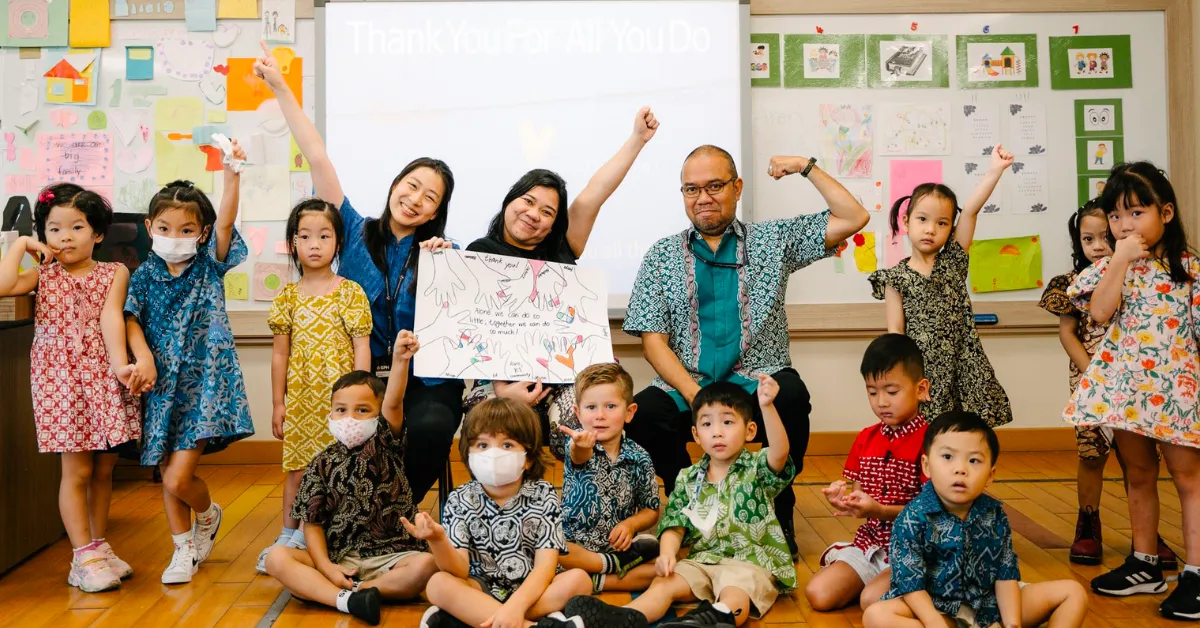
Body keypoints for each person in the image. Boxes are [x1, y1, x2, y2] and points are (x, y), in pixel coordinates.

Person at [622, 147, 870, 557]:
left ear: (737, 188)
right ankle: (693, 509)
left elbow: (853, 217)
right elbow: (653, 341)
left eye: (715, 186)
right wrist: (692, 393)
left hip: (758, 375)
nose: (703, 197)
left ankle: (777, 506)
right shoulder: (661, 255)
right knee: (644, 414)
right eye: (691, 189)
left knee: (791, 397)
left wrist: (805, 167)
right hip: (688, 381)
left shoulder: (772, 241)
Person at [256, 42, 463, 505]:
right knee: (353, 434)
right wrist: (281, 87)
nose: (416, 199)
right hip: (360, 376)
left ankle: (394, 516)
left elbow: (463, 311)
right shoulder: (350, 230)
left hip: (427, 381)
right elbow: (318, 158)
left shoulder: (443, 252)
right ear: (395, 185)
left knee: (430, 428)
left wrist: (447, 260)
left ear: (436, 212)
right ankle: (359, 518)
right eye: (412, 185)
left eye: (430, 197)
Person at [463, 107, 659, 462]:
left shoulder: (562, 250)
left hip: (566, 376)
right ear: (511, 200)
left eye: (548, 212)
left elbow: (595, 192)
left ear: (555, 224)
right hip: (499, 379)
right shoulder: (479, 253)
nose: (534, 214)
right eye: (528, 201)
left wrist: (637, 140)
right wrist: (504, 389)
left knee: (588, 426)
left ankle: (589, 510)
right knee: (493, 425)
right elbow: (476, 331)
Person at [1063, 163, 1200, 620]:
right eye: (1116, 216)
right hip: (1126, 391)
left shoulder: (1190, 269)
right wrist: (1119, 259)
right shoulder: (1112, 266)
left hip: (1177, 390)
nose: (1125, 225)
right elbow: (1098, 314)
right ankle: (1145, 563)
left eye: (1136, 213)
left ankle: (1197, 572)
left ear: (1166, 212)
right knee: (1137, 474)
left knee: (1188, 478)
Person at [562, 378, 797, 628]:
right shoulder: (687, 478)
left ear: (750, 431)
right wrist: (666, 554)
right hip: (702, 560)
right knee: (664, 582)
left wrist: (768, 406)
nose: (717, 432)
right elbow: (675, 524)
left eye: (727, 422)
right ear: (696, 434)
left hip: (749, 562)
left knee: (736, 590)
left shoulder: (757, 467)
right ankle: (626, 616)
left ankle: (710, 620)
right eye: (707, 424)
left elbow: (780, 453)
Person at [124, 143, 254, 584]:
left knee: (179, 478)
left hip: (206, 385)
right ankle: (182, 550)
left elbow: (228, 219)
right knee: (165, 472)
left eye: (186, 228)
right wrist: (142, 357)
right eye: (164, 227)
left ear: (201, 232)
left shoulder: (208, 265)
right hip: (162, 387)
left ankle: (208, 512)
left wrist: (232, 172)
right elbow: (130, 319)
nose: (174, 236)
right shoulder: (142, 275)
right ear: (149, 227)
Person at [0, 184, 140, 592]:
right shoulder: (41, 274)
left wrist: (120, 366)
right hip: (59, 380)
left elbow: (112, 318)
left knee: (103, 467)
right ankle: (82, 557)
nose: (65, 236)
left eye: (76, 227)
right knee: (76, 468)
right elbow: (4, 285)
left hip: (100, 375)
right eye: (53, 228)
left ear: (97, 233)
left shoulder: (115, 272)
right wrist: (22, 244)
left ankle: (98, 545)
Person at [265, 333, 437, 626]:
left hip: (389, 557)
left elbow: (393, 402)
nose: (350, 419)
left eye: (362, 410)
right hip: (338, 558)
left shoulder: (385, 443)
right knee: (276, 558)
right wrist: (326, 567)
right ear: (330, 413)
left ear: (377, 414)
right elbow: (312, 522)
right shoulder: (321, 463)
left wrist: (400, 361)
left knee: (427, 564)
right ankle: (344, 599)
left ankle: (363, 591)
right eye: (341, 410)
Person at [863, 412, 1088, 628]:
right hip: (936, 608)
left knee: (1073, 592)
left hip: (989, 606)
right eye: (947, 457)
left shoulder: (994, 514)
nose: (960, 469)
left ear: (990, 475)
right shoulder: (912, 517)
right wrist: (934, 623)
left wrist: (1012, 623)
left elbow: (1005, 573)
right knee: (876, 616)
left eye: (974, 460)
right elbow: (910, 583)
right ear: (927, 466)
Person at [256, 199, 374, 572]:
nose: (314, 244)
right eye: (304, 236)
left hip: (340, 404)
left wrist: (361, 400)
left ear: (338, 242)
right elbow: (279, 356)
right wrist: (278, 403)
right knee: (297, 471)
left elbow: (362, 347)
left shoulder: (350, 292)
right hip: (303, 402)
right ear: (292, 243)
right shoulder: (287, 298)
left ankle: (335, 537)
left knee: (343, 469)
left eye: (324, 235)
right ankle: (288, 536)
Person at [410, 398, 590, 628]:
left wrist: (515, 607)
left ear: (528, 459)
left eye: (507, 445)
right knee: (437, 583)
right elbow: (458, 569)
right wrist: (437, 540)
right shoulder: (460, 499)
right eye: (483, 445)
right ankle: (531, 626)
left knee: (579, 580)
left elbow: (545, 568)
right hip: (481, 587)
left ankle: (482, 618)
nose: (493, 454)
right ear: (468, 454)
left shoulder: (544, 494)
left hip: (532, 590)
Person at [868, 145, 1014, 427]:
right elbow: (896, 333)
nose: (931, 229)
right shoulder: (894, 277)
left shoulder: (954, 261)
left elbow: (970, 211)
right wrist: (902, 377)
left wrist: (994, 171)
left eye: (942, 223)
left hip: (963, 361)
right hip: (922, 368)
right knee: (924, 433)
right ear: (907, 222)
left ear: (950, 229)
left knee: (966, 431)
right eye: (922, 219)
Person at [806, 333, 929, 612]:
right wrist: (846, 501)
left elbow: (933, 511)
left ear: (921, 389)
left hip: (916, 549)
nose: (881, 401)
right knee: (818, 594)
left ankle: (919, 584)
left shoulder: (933, 442)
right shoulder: (866, 438)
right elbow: (861, 495)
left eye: (891, 391)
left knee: (871, 601)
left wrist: (880, 510)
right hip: (872, 545)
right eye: (872, 392)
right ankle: (884, 583)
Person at [556, 363, 660, 593]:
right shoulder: (578, 445)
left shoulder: (640, 457)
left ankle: (598, 580)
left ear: (630, 412)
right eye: (591, 407)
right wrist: (580, 445)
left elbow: (651, 509)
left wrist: (631, 524)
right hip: (575, 548)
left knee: (661, 570)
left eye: (611, 406)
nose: (600, 416)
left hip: (616, 548)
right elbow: (578, 454)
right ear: (578, 413)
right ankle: (609, 570)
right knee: (554, 549)